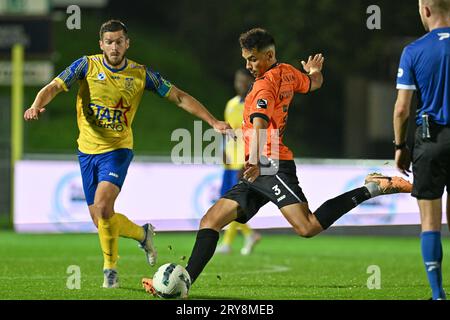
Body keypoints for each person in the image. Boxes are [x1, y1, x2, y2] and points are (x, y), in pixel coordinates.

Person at [143, 28, 412, 296]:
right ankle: (184, 282)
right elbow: (313, 83)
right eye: (246, 59)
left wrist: (258, 161)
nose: (248, 65)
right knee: (210, 220)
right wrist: (314, 71)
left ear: (269, 55)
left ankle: (374, 187)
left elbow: (260, 124)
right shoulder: (288, 72)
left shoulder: (265, 85)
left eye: (252, 59)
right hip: (257, 168)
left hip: (271, 165)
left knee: (307, 227)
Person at [24, 19, 231, 289]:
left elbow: (179, 97)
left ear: (127, 43)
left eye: (119, 41)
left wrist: (213, 121)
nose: (114, 46)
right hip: (87, 152)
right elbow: (53, 86)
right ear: (101, 44)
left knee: (102, 206)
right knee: (101, 219)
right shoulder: (86, 65)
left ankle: (110, 268)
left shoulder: (141, 74)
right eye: (109, 42)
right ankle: (142, 234)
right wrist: (36, 105)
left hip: (118, 150)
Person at [393, 0, 450, 300]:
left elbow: (402, 109)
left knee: (430, 222)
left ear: (426, 10)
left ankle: (438, 295)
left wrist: (400, 146)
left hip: (430, 141)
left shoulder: (414, 50)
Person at [215, 69, 262, 256]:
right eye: (238, 81)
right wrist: (223, 151)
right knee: (226, 200)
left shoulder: (256, 104)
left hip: (244, 161)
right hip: (230, 160)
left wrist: (250, 160)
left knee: (234, 203)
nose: (240, 84)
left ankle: (227, 243)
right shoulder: (231, 104)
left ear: (251, 82)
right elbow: (227, 129)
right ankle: (250, 235)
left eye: (244, 81)